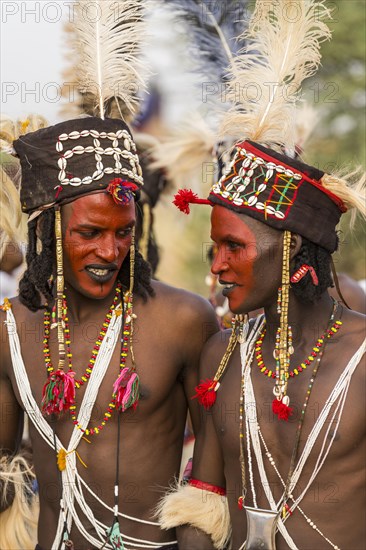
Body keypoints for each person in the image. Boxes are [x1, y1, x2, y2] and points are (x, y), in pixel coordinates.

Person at [155, 1, 366, 549]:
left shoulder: (361, 356)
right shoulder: (222, 355)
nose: (218, 265)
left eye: (234, 247)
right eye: (212, 248)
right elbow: (203, 498)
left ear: (293, 248)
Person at [0, 115, 218, 550]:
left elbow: (213, 480)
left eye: (124, 232)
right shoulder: (9, 327)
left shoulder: (183, 320)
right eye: (90, 232)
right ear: (48, 229)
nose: (109, 251)